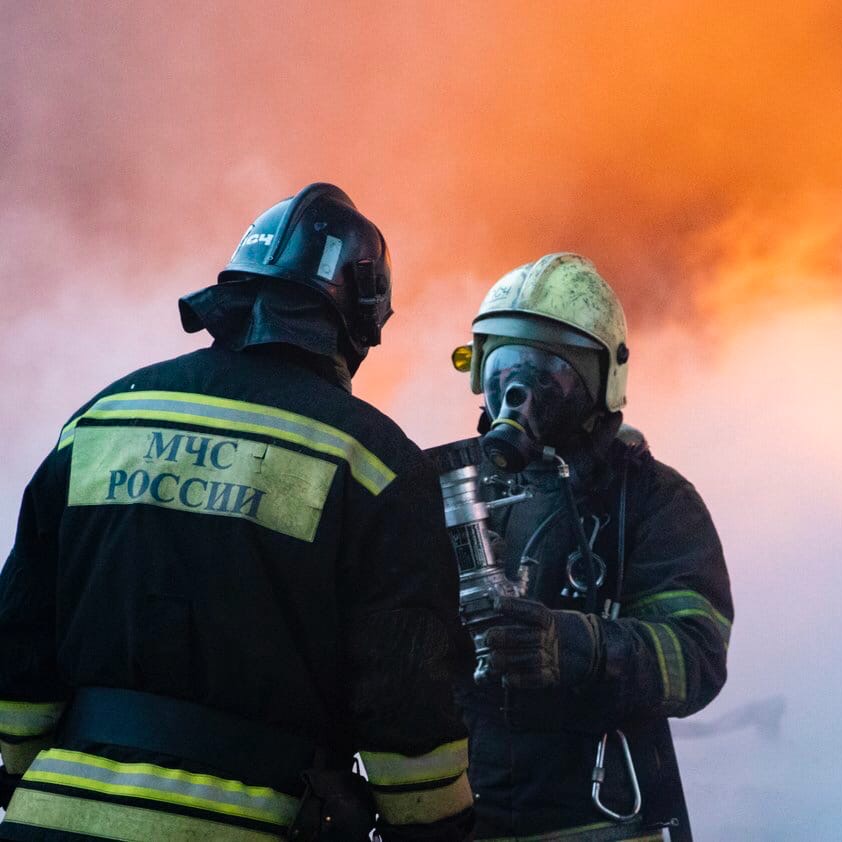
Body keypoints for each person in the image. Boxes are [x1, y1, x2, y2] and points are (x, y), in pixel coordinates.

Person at [0, 184, 475, 841]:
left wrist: (37, 772)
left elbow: (19, 633)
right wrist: (434, 826)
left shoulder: (107, 415)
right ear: (361, 316)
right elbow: (404, 697)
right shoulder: (376, 464)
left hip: (47, 818)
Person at [453, 253, 733, 841]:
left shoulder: (653, 501)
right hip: (462, 820)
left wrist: (575, 646)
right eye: (504, 367)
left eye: (546, 374)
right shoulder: (452, 490)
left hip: (600, 820)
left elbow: (697, 657)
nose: (517, 395)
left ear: (601, 385)